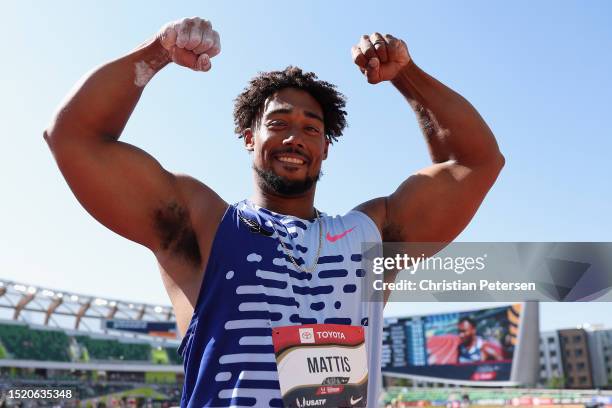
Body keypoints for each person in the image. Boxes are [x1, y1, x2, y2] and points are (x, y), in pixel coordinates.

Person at [45, 16, 504, 408]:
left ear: (326, 147)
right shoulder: (205, 225)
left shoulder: (371, 236)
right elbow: (74, 138)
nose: (294, 138)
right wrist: (157, 52)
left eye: (310, 128)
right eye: (278, 123)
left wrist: (407, 75)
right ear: (250, 137)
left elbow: (475, 162)